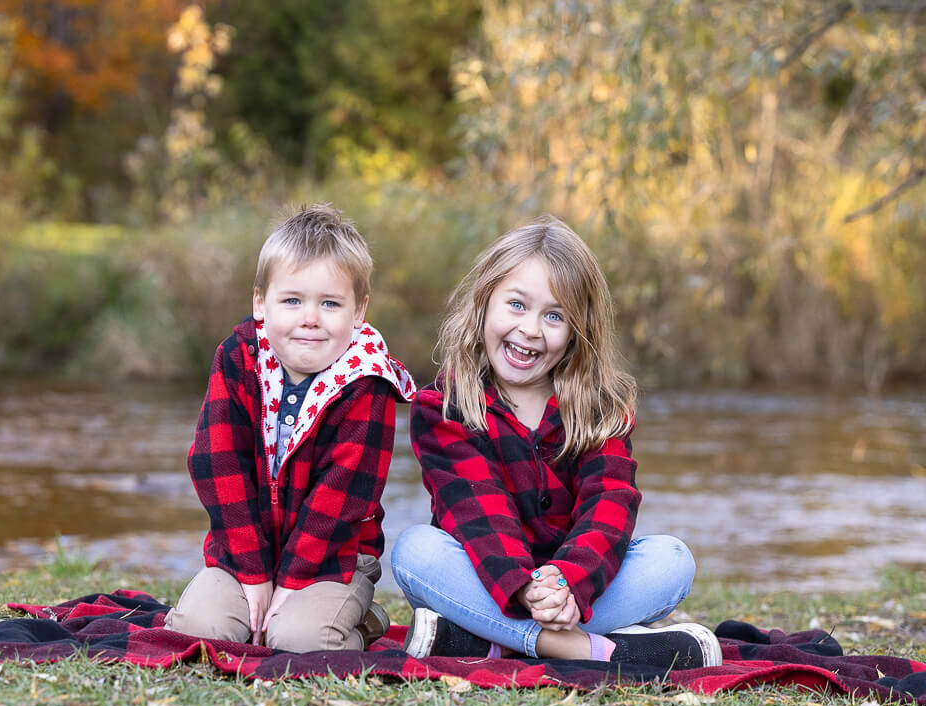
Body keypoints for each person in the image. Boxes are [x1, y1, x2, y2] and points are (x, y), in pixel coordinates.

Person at [391, 216, 721, 669]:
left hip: (577, 587)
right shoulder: (446, 405)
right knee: (415, 552)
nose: (529, 329)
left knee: (672, 561)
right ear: (484, 303)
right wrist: (524, 587)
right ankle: (589, 651)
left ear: (577, 331)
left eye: (554, 316)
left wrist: (567, 580)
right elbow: (478, 511)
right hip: (486, 576)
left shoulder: (599, 407)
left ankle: (488, 640)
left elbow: (610, 504)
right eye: (516, 305)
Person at [165, 204, 416, 652]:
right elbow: (217, 462)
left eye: (330, 303)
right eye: (293, 300)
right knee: (198, 632)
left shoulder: (366, 383)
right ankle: (241, 600)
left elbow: (341, 499)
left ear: (359, 310)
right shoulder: (239, 358)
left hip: (333, 556)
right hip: (244, 546)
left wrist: (290, 584)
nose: (310, 318)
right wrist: (253, 572)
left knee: (299, 641)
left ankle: (365, 621)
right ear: (261, 302)